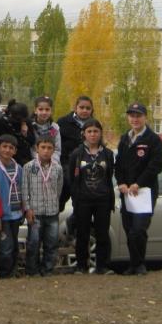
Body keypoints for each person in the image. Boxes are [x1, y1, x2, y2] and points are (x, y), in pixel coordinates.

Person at [115, 102, 162, 276]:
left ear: (145, 117)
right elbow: (118, 164)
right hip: (127, 193)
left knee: (138, 230)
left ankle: (140, 264)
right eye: (132, 115)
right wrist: (121, 182)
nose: (135, 119)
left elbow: (157, 165)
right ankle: (133, 265)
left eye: (138, 115)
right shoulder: (124, 139)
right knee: (129, 230)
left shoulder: (153, 140)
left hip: (144, 193)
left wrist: (139, 183)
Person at [68, 118, 115, 275]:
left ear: (100, 133)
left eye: (96, 131)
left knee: (102, 234)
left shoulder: (108, 154)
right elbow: (71, 179)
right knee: (82, 234)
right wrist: (76, 199)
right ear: (84, 134)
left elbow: (109, 176)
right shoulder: (77, 153)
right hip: (83, 200)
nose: (93, 135)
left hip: (102, 199)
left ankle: (103, 266)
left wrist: (109, 198)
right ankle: (82, 266)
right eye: (89, 131)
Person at [22, 135, 63, 277]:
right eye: (43, 148)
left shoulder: (57, 168)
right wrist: (27, 209)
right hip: (35, 212)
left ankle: (48, 270)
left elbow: (59, 188)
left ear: (54, 150)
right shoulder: (28, 167)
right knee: (33, 243)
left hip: (52, 212)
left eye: (49, 148)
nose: (46, 151)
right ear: (36, 149)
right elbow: (25, 190)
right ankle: (32, 270)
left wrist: (54, 203)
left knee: (51, 243)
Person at [0, 134, 23, 278]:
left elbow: (22, 188)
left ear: (15, 151)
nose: (7, 150)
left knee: (14, 245)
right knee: (5, 247)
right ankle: (4, 274)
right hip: (2, 216)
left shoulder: (19, 168)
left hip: (16, 213)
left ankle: (13, 271)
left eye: (11, 148)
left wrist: (24, 209)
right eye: (4, 147)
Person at [57, 96, 95, 210]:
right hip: (65, 165)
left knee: (80, 204)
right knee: (59, 201)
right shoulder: (62, 122)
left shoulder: (94, 124)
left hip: (85, 166)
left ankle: (75, 224)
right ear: (75, 108)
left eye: (88, 108)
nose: (84, 110)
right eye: (81, 107)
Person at [0, 100, 36, 165]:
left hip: (25, 157)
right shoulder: (3, 122)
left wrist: (25, 133)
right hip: (8, 155)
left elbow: (32, 141)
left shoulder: (27, 122)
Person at [30, 95, 61, 160]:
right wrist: (39, 159)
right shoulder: (30, 126)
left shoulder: (54, 128)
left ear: (51, 111)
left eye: (47, 109)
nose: (44, 112)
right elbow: (31, 148)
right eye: (41, 109)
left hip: (52, 162)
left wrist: (51, 161)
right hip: (34, 161)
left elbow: (57, 149)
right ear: (35, 110)